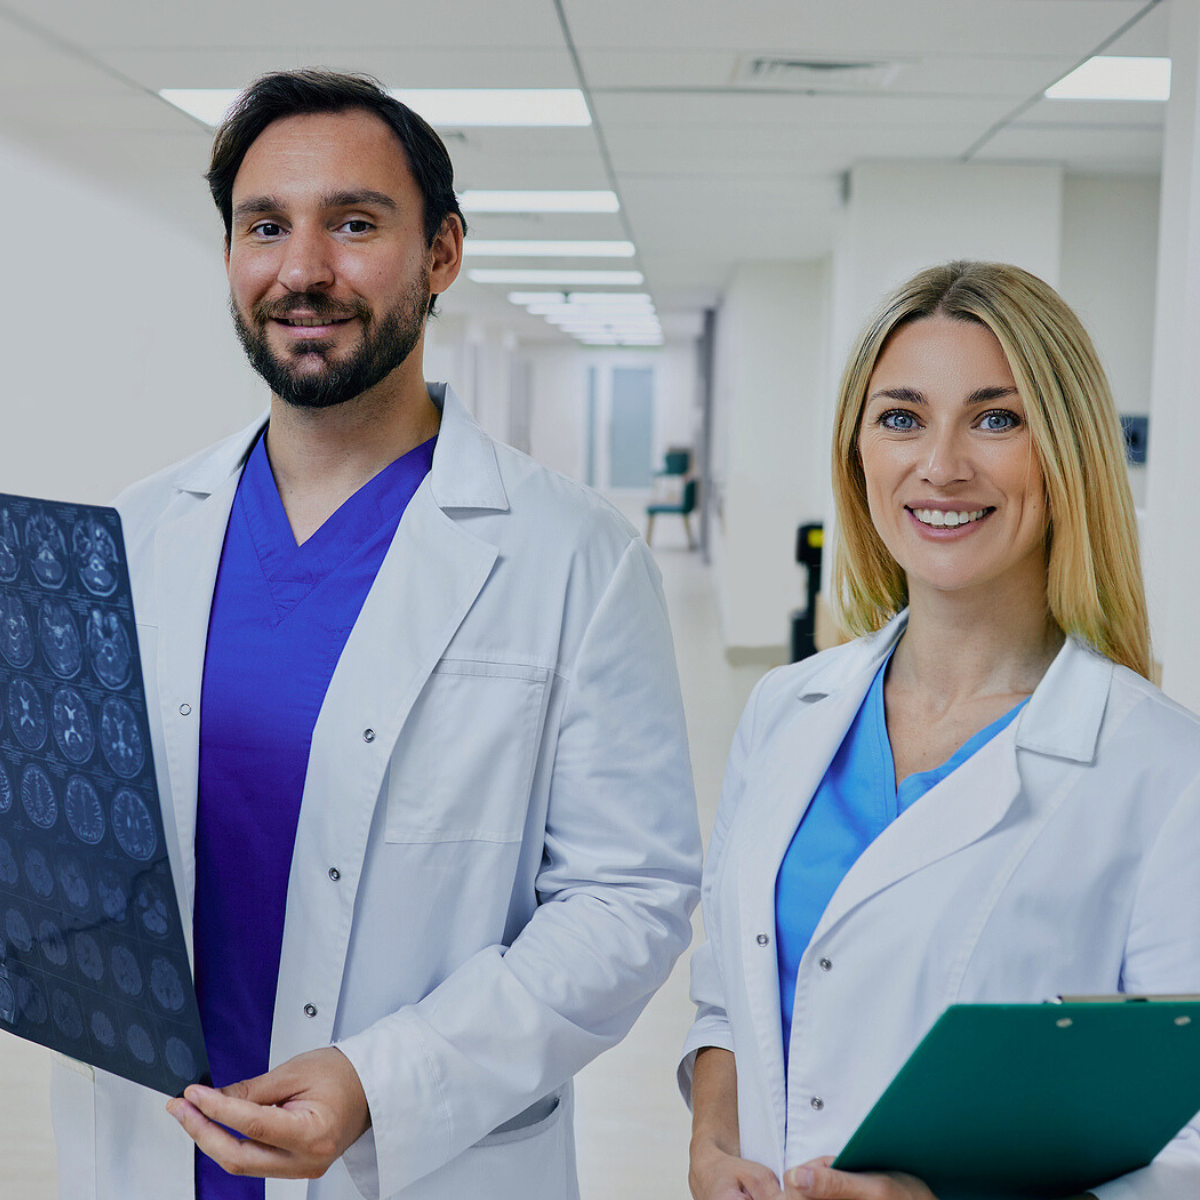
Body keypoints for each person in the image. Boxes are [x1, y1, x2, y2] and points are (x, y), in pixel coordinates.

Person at [48, 69, 701, 1200]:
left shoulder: (575, 557)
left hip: (416, 1158)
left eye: (354, 223)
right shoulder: (134, 537)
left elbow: (626, 899)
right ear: (230, 258)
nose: (304, 269)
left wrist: (382, 1081)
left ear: (442, 253)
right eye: (266, 227)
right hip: (152, 1153)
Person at [681, 261, 1200, 1200]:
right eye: (901, 417)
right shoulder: (785, 710)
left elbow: (1187, 1145)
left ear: (1068, 453)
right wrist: (712, 1146)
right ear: (858, 452)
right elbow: (728, 991)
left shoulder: (1164, 771)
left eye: (997, 419)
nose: (942, 464)